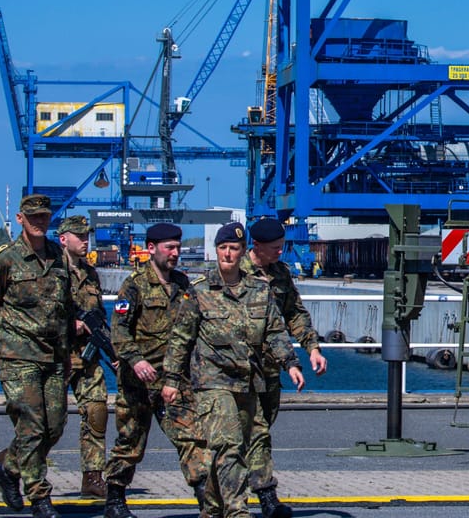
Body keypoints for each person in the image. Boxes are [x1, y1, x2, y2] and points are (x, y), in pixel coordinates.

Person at [163, 222, 304, 518]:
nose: (227, 254)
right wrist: (172, 380)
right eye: (223, 248)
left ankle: (213, 508)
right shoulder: (198, 291)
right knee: (228, 445)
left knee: (240, 445)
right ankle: (237, 510)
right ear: (216, 251)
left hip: (248, 381)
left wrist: (290, 363)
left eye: (234, 249)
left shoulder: (259, 290)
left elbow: (274, 331)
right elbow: (180, 339)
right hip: (212, 381)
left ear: (243, 252)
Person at [104, 223, 209, 518]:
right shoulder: (135, 285)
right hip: (138, 380)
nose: (175, 253)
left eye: (177, 247)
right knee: (130, 441)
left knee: (191, 438)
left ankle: (207, 501)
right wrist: (136, 360)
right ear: (152, 248)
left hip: (174, 379)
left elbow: (192, 327)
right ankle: (114, 500)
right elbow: (119, 331)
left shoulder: (183, 284)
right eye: (169, 247)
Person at [0, 194, 76, 518]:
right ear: (20, 219)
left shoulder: (58, 256)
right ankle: (40, 497)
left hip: (54, 355)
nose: (39, 222)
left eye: (44, 217)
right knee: (32, 426)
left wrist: (65, 352)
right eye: (33, 217)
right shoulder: (5, 259)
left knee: (55, 427)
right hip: (18, 354)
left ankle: (7, 469)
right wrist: (12, 334)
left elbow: (65, 307)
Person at [239, 218, 326, 518]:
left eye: (282, 247)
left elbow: (295, 313)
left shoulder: (280, 273)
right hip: (239, 369)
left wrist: (312, 348)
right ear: (257, 246)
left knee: (260, 428)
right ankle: (266, 496)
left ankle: (235, 489)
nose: (280, 252)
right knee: (257, 431)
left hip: (271, 367)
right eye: (275, 248)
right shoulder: (235, 272)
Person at [59, 214, 110, 499]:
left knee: (97, 412)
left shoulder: (90, 273)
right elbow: (41, 314)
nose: (85, 240)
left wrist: (109, 348)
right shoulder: (52, 271)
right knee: (48, 422)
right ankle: (13, 466)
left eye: (87, 235)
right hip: (58, 356)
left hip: (87, 358)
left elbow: (98, 314)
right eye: (79, 236)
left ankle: (92, 477)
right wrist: (71, 325)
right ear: (63, 239)